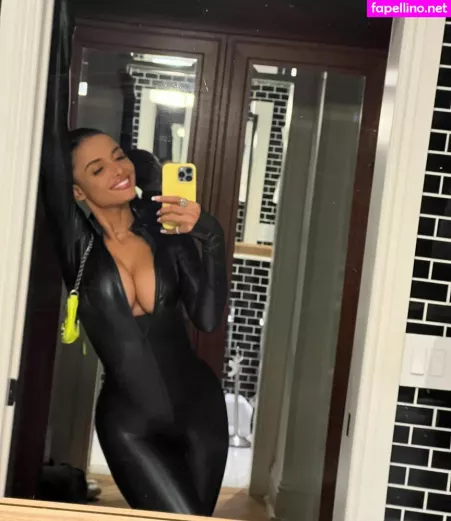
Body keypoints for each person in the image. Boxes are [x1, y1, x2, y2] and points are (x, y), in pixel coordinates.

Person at [39, 2, 229, 515]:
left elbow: (207, 318)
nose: (118, 170)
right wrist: (56, 21)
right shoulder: (79, 246)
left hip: (201, 410)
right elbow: (51, 135)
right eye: (97, 169)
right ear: (76, 192)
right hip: (131, 425)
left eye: (118, 156)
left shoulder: (165, 234)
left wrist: (210, 235)